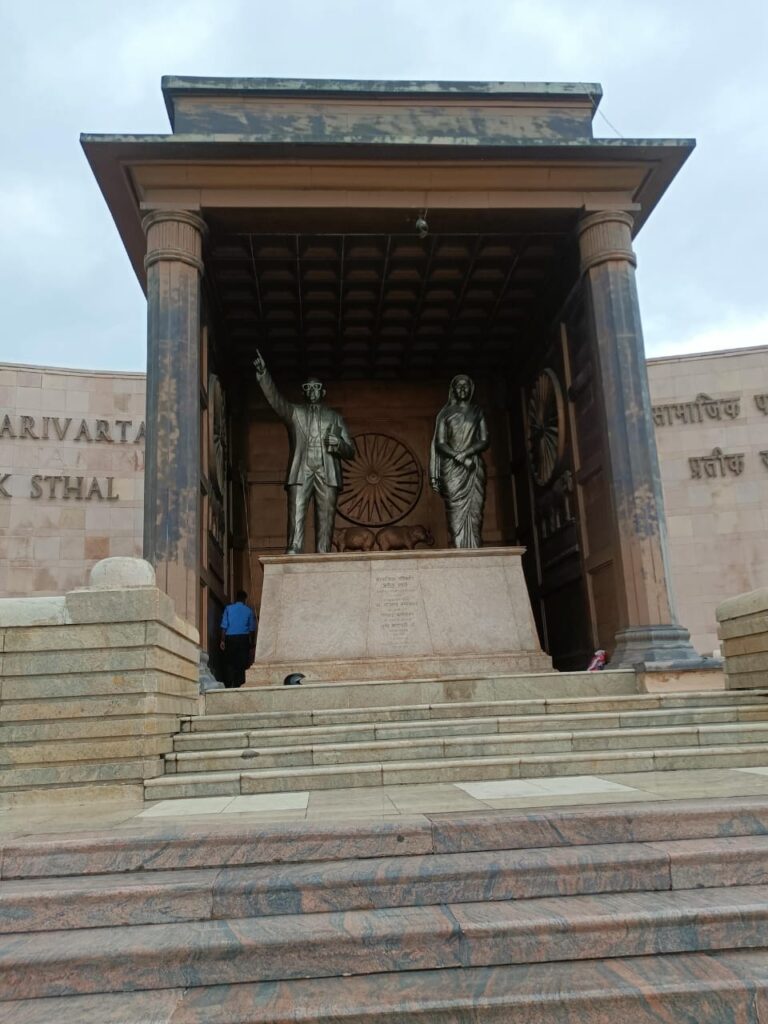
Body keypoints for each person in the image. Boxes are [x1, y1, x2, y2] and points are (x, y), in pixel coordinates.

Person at [253, 349, 355, 553]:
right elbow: (276, 401)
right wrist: (264, 375)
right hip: (301, 470)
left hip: (327, 472)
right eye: (308, 388)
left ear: (323, 392)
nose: (312, 391)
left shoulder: (334, 417)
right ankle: (294, 546)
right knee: (296, 511)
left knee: (326, 516)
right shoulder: (294, 413)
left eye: (317, 387)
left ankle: (323, 551)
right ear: (304, 392)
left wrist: (338, 444)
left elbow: (351, 451)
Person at [429, 374, 490, 548]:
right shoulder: (445, 414)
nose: (462, 389)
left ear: (471, 389)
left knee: (475, 512)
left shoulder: (477, 412)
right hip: (452, 469)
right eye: (459, 386)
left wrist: (466, 453)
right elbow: (440, 443)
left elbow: (485, 440)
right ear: (453, 390)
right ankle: (459, 550)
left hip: (473, 468)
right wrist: (459, 457)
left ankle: (475, 550)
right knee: (455, 512)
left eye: (466, 385)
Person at [219, 590, 257, 688]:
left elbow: (224, 626)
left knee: (229, 662)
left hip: (230, 638)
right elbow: (252, 629)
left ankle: (228, 684)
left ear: (236, 598)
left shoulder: (228, 608)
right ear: (245, 599)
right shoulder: (249, 611)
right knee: (242, 663)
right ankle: (238, 684)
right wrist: (252, 642)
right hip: (243, 639)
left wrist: (222, 641)